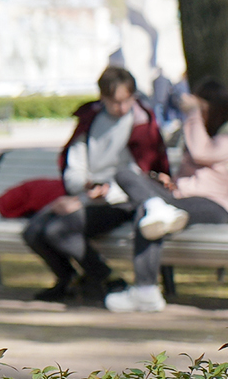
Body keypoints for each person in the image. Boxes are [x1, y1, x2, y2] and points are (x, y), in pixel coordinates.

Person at [21, 65, 185, 307]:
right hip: (88, 195)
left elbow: (143, 175)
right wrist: (83, 189)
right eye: (114, 101)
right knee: (33, 231)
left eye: (126, 100)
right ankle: (69, 279)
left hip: (125, 201)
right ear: (103, 98)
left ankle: (108, 279)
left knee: (56, 230)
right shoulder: (91, 120)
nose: (121, 107)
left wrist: (107, 191)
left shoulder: (142, 124)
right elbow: (75, 163)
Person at [104, 81, 228, 313]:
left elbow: (203, 153)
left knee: (148, 213)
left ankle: (145, 290)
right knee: (127, 176)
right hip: (181, 199)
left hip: (214, 205)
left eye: (200, 107)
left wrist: (192, 114)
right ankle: (155, 205)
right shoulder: (200, 130)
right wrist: (170, 183)